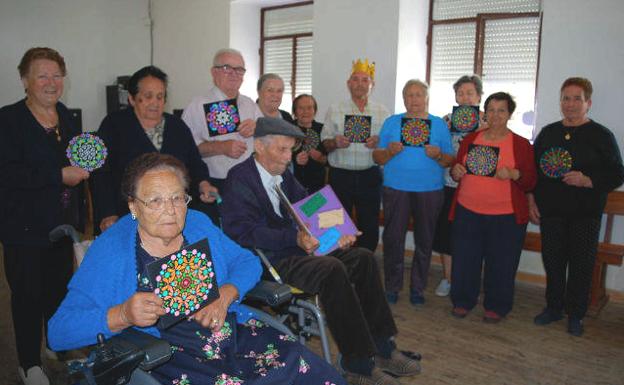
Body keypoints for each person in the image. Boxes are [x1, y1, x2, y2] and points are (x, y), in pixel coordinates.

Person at [48, 153, 346, 384]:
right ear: (133, 207)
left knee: (304, 364)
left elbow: (246, 261)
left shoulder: (197, 223)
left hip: (229, 331)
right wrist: (122, 315)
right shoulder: (111, 250)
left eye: (178, 197)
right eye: (155, 201)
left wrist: (226, 293)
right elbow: (59, 332)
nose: (171, 209)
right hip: (166, 353)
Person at [220, 117, 421, 385]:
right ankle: (357, 363)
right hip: (270, 260)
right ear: (259, 146)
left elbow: (310, 206)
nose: (287, 157)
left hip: (299, 250)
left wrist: (338, 233)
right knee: (331, 270)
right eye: (281, 150)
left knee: (363, 258)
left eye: (290, 150)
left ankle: (383, 348)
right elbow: (242, 233)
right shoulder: (240, 179)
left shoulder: (282, 174)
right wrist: (294, 237)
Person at [0, 47, 89, 385]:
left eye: (57, 75)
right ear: (25, 80)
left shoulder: (66, 116)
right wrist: (58, 175)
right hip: (23, 226)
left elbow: (77, 158)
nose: (51, 83)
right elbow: (7, 173)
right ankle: (27, 362)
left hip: (62, 224)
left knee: (57, 289)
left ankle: (55, 344)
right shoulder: (8, 120)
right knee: (26, 294)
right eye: (42, 75)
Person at [529, 77, 624, 336]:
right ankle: (553, 308)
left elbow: (618, 173)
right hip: (552, 212)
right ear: (560, 102)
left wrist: (589, 180)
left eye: (576, 99)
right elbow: (533, 172)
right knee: (554, 261)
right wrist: (531, 199)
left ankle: (576, 315)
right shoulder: (549, 133)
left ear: (588, 103)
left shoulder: (601, 135)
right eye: (565, 98)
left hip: (585, 214)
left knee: (581, 265)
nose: (570, 104)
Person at [92, 65, 218, 232]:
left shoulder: (177, 126)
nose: (155, 103)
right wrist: (107, 213)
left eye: (160, 97)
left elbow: (195, 163)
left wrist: (204, 184)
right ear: (132, 98)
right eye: (148, 96)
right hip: (130, 214)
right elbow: (101, 174)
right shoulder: (113, 125)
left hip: (175, 212)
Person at [449, 92, 536, 323]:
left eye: (501, 110)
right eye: (491, 110)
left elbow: (531, 180)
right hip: (468, 211)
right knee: (465, 259)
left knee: (502, 263)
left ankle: (497, 305)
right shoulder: (471, 139)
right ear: (484, 113)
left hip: (505, 216)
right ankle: (462, 300)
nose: (495, 115)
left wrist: (514, 174)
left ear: (509, 114)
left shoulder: (520, 144)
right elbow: (457, 168)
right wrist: (456, 171)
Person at [373, 79, 453, 305]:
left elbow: (450, 159)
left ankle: (418, 288)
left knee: (425, 241)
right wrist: (389, 151)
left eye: (419, 95)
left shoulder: (438, 125)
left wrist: (438, 155)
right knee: (393, 239)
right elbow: (376, 157)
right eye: (409, 95)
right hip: (396, 188)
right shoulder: (392, 122)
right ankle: (392, 286)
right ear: (403, 98)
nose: (414, 99)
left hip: (429, 190)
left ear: (426, 98)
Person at [321, 59, 390, 252]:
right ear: (348, 83)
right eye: (355, 79)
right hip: (340, 175)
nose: (360, 84)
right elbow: (325, 143)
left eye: (364, 80)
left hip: (370, 175)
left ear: (372, 85)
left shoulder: (382, 111)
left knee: (369, 222)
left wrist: (378, 141)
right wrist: (335, 142)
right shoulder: (335, 109)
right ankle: (338, 265)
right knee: (336, 222)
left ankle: (365, 261)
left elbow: (387, 147)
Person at [432, 75, 486, 297]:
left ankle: (469, 280)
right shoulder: (445, 121)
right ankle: (448, 278)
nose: (464, 98)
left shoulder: (488, 121)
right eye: (460, 93)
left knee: (474, 237)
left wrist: (484, 130)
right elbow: (435, 151)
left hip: (478, 190)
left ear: (479, 97)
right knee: (447, 234)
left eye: (469, 93)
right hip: (448, 185)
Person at [182, 48, 262, 189]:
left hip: (249, 180)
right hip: (215, 182)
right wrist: (220, 147)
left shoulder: (250, 104)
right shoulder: (198, 105)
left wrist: (258, 127)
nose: (234, 74)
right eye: (227, 68)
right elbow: (185, 149)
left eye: (239, 70)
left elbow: (268, 140)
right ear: (214, 72)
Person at [292, 94, 327, 192]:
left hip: (317, 186)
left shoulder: (323, 130)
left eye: (309, 108)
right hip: (292, 185)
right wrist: (294, 160)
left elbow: (331, 160)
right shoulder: (288, 129)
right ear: (295, 111)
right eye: (301, 108)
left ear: (315, 110)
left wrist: (321, 158)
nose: (305, 112)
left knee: (316, 208)